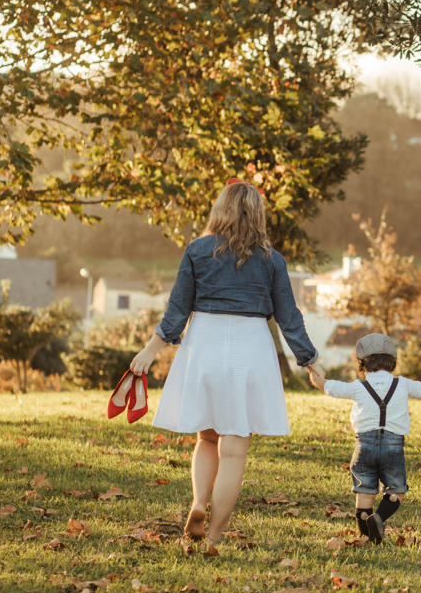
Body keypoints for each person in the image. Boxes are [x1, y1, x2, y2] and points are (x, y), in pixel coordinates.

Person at [129, 179, 322, 555]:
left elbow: (177, 309)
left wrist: (151, 350)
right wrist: (311, 361)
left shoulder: (198, 251)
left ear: (220, 209)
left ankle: (199, 502)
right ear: (258, 214)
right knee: (234, 450)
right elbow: (288, 317)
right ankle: (214, 536)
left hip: (205, 344)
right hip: (250, 349)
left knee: (207, 438)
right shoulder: (272, 259)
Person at [308, 333, 421, 544]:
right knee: (396, 490)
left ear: (363, 363)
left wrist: (314, 374)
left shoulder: (357, 387)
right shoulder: (402, 384)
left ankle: (366, 536)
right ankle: (380, 517)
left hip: (363, 446)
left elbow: (328, 386)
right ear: (392, 360)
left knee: (364, 492)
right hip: (393, 447)